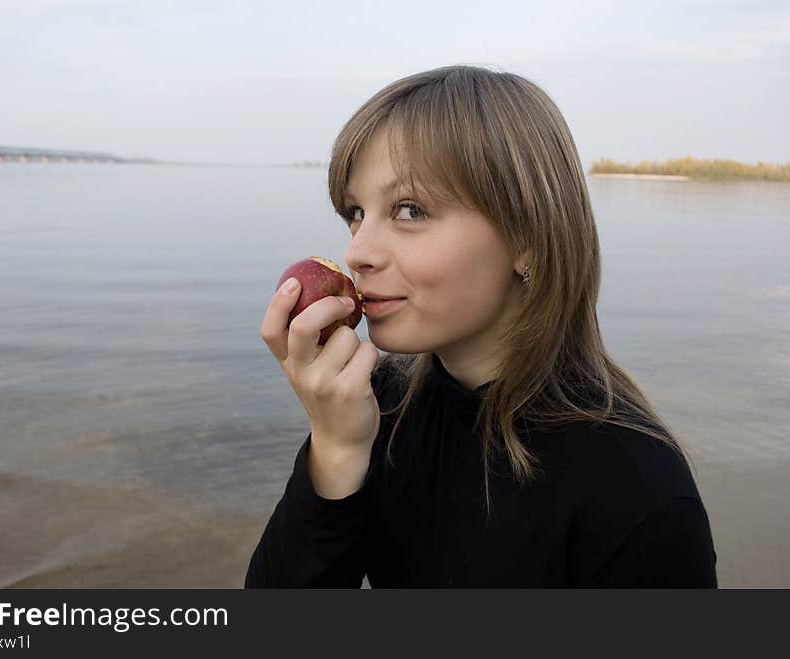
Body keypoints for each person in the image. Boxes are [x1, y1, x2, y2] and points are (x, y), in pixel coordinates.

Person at [246, 65, 717, 588]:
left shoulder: (635, 488)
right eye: (356, 211)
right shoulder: (378, 407)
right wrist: (334, 448)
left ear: (528, 239)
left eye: (409, 210)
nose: (356, 252)